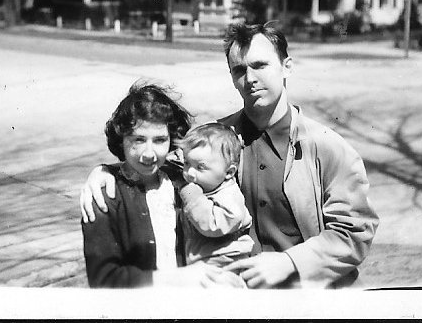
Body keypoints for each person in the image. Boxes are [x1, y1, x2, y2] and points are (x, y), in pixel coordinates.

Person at [80, 22, 379, 289]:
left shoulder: (327, 147)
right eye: (239, 70)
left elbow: (355, 232)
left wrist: (290, 262)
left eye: (260, 65)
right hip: (235, 298)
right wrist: (106, 172)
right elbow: (155, 161)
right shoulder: (215, 140)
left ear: (287, 66)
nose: (250, 78)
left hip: (309, 298)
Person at [81, 82, 242, 288]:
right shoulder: (105, 194)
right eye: (138, 140)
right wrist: (179, 278)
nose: (149, 154)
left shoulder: (183, 180)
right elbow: (104, 280)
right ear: (121, 140)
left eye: (159, 140)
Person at [174, 122, 254, 267]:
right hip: (201, 262)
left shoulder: (229, 196)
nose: (189, 172)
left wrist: (192, 196)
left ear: (229, 172)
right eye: (186, 163)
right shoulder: (203, 187)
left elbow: (212, 225)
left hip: (225, 263)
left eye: (200, 167)